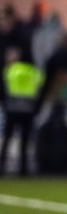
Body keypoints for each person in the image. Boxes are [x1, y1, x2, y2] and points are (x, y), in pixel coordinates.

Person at [1, 46, 44, 176]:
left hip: (12, 109)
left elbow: (4, 88)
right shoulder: (33, 71)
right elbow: (40, 87)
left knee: (8, 139)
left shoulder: (10, 70)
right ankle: (23, 169)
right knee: (25, 141)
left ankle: (2, 165)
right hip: (29, 110)